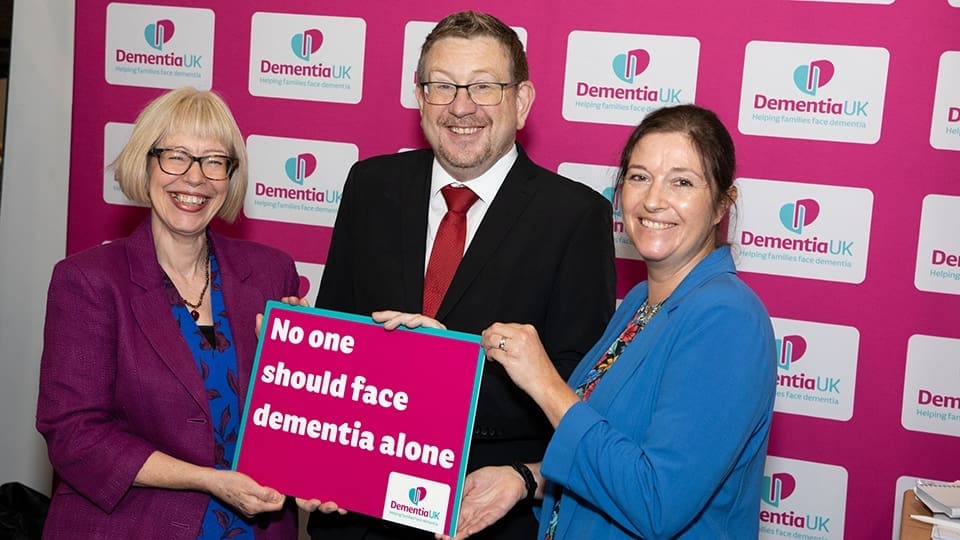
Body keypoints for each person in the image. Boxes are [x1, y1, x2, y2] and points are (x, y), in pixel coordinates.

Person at [309, 10, 617, 540]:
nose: (461, 107)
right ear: (419, 96)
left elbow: (577, 387)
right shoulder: (370, 185)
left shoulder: (575, 217)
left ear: (521, 102)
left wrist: (445, 367)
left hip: (486, 511)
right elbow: (335, 333)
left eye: (483, 87)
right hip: (356, 509)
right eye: (442, 86)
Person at [452, 104, 778, 539]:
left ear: (722, 203)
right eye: (640, 177)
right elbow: (616, 460)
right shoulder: (643, 301)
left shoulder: (726, 318)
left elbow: (656, 501)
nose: (653, 200)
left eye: (681, 182)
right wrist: (526, 479)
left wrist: (545, 382)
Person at [35, 87, 314, 539]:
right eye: (176, 157)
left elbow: (296, 417)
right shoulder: (88, 281)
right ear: (145, 164)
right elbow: (73, 435)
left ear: (230, 176)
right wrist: (206, 478)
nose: (195, 178)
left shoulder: (270, 273)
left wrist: (301, 363)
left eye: (213, 161)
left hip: (254, 529)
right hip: (131, 526)